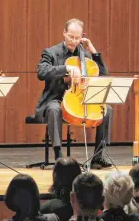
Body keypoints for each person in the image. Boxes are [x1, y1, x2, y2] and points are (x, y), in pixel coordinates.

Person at [35, 18, 113, 169]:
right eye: (71, 36)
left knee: (107, 109)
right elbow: (41, 72)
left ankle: (98, 157)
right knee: (54, 108)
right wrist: (66, 69)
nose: (73, 40)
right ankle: (59, 157)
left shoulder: (86, 55)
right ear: (64, 33)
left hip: (79, 99)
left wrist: (93, 51)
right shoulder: (51, 52)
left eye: (77, 38)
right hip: (56, 99)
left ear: (82, 36)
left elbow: (103, 75)